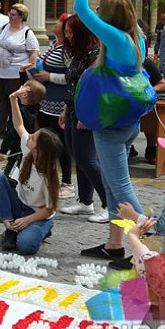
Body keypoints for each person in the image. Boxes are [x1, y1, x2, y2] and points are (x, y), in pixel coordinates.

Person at [74, 0, 147, 262]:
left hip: (110, 126)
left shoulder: (115, 39)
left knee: (120, 186)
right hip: (129, 123)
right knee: (112, 187)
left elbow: (80, 9)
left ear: (107, 19)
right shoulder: (136, 38)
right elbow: (123, 7)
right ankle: (114, 246)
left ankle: (146, 230)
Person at [0, 85, 63, 254]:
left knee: (26, 246)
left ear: (40, 151)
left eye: (33, 138)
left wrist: (28, 220)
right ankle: (10, 226)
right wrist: (13, 99)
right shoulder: (29, 149)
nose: (29, 136)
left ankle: (39, 230)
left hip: (38, 214)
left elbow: (50, 209)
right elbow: (18, 124)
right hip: (21, 204)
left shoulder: (49, 177)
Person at [57, 14, 109, 223]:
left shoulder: (95, 55)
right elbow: (73, 86)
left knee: (88, 159)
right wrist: (66, 109)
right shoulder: (80, 53)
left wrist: (88, 116)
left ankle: (109, 204)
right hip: (73, 112)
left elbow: (96, 89)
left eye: (70, 32)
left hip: (85, 115)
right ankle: (86, 202)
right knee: (78, 157)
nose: (67, 36)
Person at [29, 14, 75, 198]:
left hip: (59, 102)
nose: (53, 23)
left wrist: (50, 77)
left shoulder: (68, 49)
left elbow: (73, 77)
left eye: (57, 21)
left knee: (61, 143)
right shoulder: (54, 44)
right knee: (48, 141)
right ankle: (50, 178)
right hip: (46, 102)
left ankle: (67, 182)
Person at [0, 3, 39, 138]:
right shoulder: (4, 27)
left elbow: (34, 53)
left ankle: (15, 134)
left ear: (21, 17)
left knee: (16, 106)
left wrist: (30, 69)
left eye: (13, 15)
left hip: (15, 76)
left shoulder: (27, 33)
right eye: (10, 13)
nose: (10, 16)